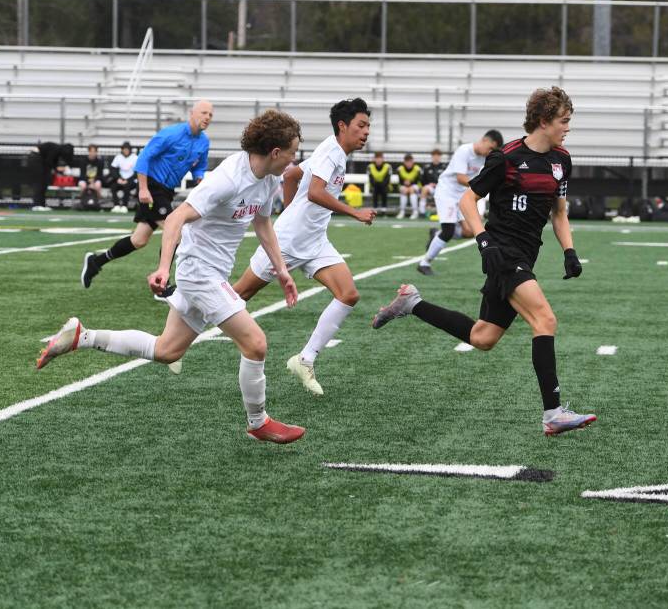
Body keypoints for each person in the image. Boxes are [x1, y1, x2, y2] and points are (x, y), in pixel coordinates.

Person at [36, 110, 305, 444]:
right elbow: (176, 218)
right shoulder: (229, 178)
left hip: (212, 271)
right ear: (276, 152)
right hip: (197, 272)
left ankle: (82, 336)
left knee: (167, 351)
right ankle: (258, 421)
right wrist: (164, 268)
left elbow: (263, 224)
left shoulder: (269, 179)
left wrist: (281, 271)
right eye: (294, 151)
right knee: (256, 343)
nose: (296, 158)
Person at [372, 86, 596, 437]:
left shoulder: (561, 160)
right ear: (543, 121)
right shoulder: (505, 159)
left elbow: (559, 212)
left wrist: (569, 251)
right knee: (545, 319)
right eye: (564, 121)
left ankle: (411, 303)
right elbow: (467, 200)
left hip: (525, 255)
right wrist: (484, 241)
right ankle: (553, 413)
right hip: (503, 253)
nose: (568, 128)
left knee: (483, 337)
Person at [233, 98, 377, 396]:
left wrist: (288, 209)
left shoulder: (335, 152)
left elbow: (291, 175)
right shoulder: (331, 152)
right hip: (286, 241)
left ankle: (305, 359)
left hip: (314, 241)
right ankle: (180, 325)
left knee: (348, 294)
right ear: (342, 125)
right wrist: (355, 212)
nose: (366, 132)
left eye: (368, 126)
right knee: (238, 295)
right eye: (361, 125)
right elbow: (314, 192)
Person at [80, 100, 213, 290]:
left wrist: (200, 179)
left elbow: (200, 166)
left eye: (210, 115)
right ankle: (162, 282)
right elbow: (144, 157)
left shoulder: (204, 142)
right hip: (152, 186)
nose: (207, 117)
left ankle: (96, 261)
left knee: (139, 240)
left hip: (166, 191)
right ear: (192, 113)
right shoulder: (171, 134)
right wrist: (143, 189)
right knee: (174, 230)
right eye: (204, 113)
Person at [416, 129, 504, 276]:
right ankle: (424, 263)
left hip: (463, 194)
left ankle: (436, 234)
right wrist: (482, 186)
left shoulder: (484, 158)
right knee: (448, 230)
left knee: (470, 231)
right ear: (484, 140)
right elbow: (460, 178)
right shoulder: (464, 151)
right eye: (490, 148)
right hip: (447, 192)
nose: (490, 152)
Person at [30, 141, 74, 211]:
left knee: (44, 183)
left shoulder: (57, 151)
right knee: (40, 182)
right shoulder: (56, 149)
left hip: (39, 159)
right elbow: (49, 161)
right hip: (36, 157)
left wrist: (58, 170)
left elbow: (52, 163)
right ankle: (36, 205)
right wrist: (57, 170)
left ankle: (42, 205)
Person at [110, 141, 138, 213]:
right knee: (113, 186)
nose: (126, 151)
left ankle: (124, 206)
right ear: (122, 150)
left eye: (127, 149)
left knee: (127, 187)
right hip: (120, 179)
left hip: (132, 181)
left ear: (130, 150)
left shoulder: (135, 158)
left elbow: (137, 172)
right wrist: (118, 178)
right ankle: (116, 205)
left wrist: (128, 180)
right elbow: (113, 169)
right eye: (124, 149)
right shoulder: (118, 157)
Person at [76, 144, 106, 211]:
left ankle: (97, 202)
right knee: (82, 185)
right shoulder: (83, 161)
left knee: (98, 185)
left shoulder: (100, 162)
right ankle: (83, 202)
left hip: (95, 180)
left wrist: (93, 181)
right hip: (85, 179)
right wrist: (88, 182)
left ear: (96, 152)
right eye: (91, 151)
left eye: (94, 151)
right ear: (89, 152)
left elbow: (100, 175)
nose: (93, 153)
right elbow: (82, 174)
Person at [418, 148, 446, 218]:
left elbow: (447, 180)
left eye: (438, 156)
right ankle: (422, 212)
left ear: (440, 157)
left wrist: (438, 184)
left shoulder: (444, 167)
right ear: (432, 157)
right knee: (424, 189)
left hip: (441, 187)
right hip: (430, 188)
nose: (436, 158)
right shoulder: (427, 167)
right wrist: (429, 184)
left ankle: (442, 212)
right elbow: (422, 180)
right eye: (434, 156)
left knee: (444, 191)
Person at [396, 153, 422, 219]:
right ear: (404, 162)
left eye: (410, 161)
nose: (408, 163)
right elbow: (400, 182)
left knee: (411, 190)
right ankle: (402, 211)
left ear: (413, 161)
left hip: (415, 186)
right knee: (404, 190)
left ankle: (415, 212)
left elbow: (419, 181)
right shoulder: (400, 169)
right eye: (407, 162)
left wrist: (410, 183)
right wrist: (405, 183)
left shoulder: (417, 169)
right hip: (404, 186)